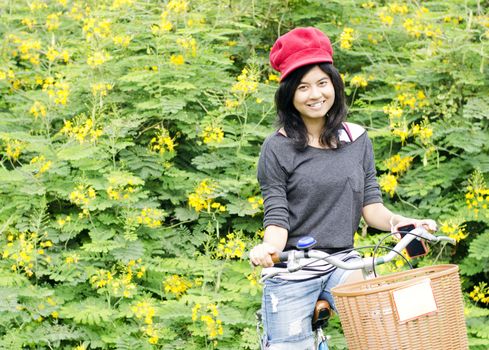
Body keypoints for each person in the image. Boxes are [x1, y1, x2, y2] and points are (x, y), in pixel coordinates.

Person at [249, 27, 437, 350]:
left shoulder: (357, 139)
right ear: (290, 94)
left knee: (387, 334)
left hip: (345, 264)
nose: (315, 94)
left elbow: (371, 206)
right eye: (303, 87)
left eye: (322, 83)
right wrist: (267, 249)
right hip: (294, 269)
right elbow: (277, 217)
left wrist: (403, 223)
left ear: (334, 84)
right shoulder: (277, 148)